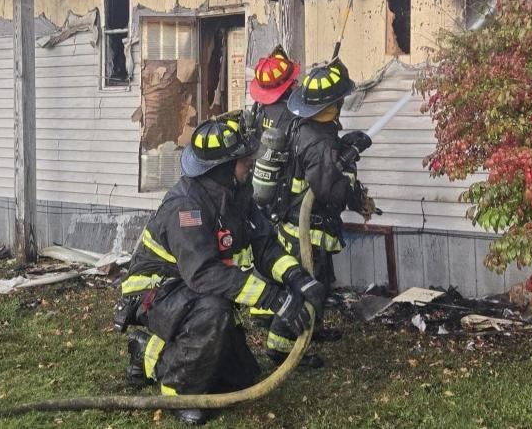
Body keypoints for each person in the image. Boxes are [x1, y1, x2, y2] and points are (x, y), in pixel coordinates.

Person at [115, 115, 325, 426]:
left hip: (190, 292)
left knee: (241, 378)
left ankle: (148, 352)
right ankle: (180, 392)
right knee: (213, 311)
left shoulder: (237, 194)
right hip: (154, 292)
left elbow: (264, 245)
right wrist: (272, 298)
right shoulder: (186, 207)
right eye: (243, 160)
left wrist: (296, 278)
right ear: (223, 167)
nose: (250, 163)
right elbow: (204, 275)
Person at [265, 59, 376, 363]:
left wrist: (344, 145)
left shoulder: (310, 126)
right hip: (307, 229)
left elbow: (322, 163)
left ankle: (310, 330)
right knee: (306, 286)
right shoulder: (318, 141)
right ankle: (280, 347)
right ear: (333, 103)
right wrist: (349, 163)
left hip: (302, 224)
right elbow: (332, 192)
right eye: (340, 99)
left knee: (321, 283)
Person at [249, 44, 300, 133]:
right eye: (294, 81)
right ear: (288, 85)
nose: (296, 83)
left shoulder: (258, 109)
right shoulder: (291, 114)